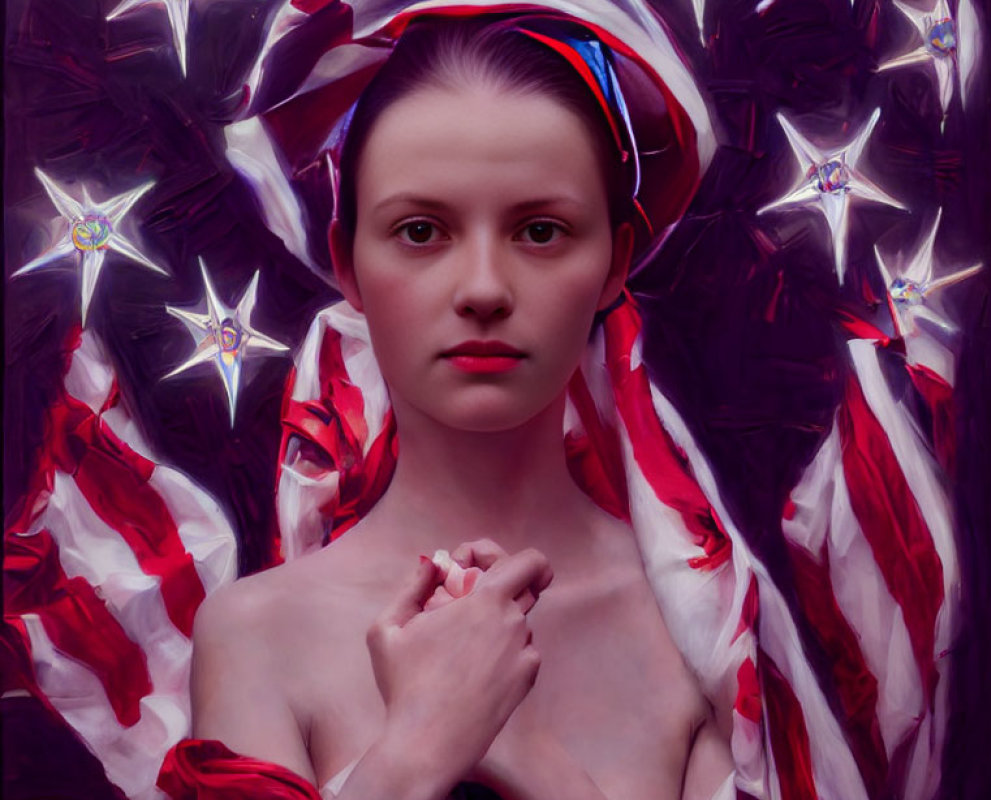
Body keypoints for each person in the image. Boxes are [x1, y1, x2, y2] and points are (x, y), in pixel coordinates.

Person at [163, 12, 736, 800]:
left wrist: (531, 757)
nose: (483, 290)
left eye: (540, 231)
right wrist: (421, 747)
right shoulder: (258, 636)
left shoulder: (701, 626)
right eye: (421, 230)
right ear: (348, 267)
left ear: (616, 261)